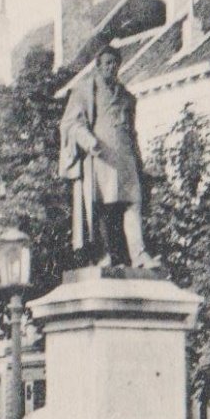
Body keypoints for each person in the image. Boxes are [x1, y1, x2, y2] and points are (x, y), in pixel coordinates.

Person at [59, 45, 156, 268]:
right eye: (108, 63)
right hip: (100, 156)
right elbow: (70, 123)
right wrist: (88, 140)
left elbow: (132, 131)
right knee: (101, 205)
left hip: (124, 157)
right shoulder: (86, 90)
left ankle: (139, 254)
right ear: (98, 66)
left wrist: (139, 161)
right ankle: (103, 255)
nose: (112, 67)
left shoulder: (126, 97)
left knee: (133, 203)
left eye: (115, 63)